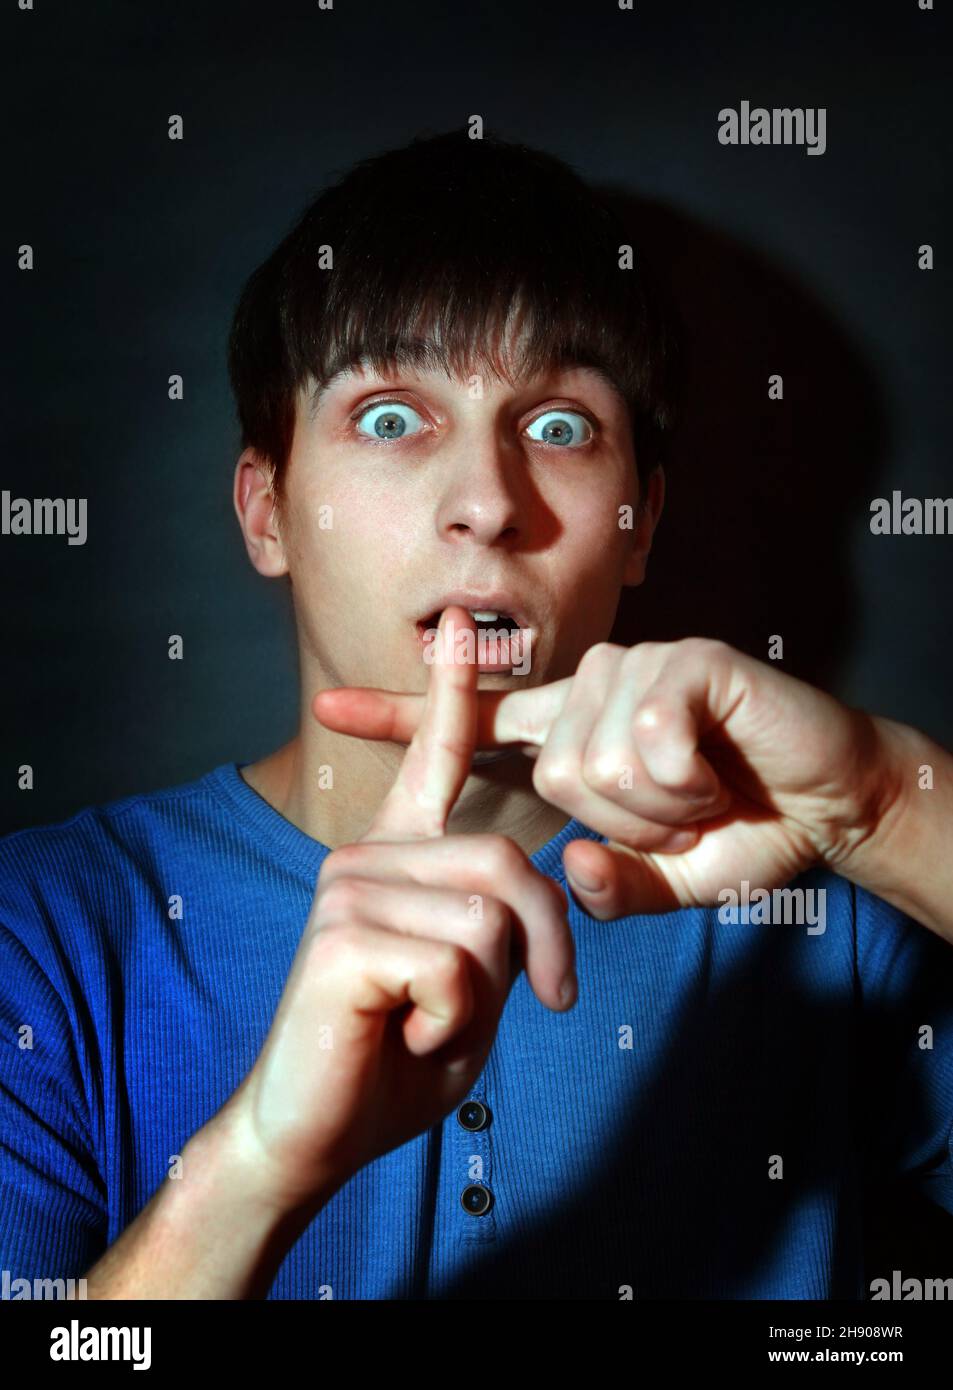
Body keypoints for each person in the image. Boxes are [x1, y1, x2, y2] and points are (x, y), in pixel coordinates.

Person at [1, 131, 951, 1301]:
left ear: (638, 524)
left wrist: (883, 804)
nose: (487, 503)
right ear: (267, 511)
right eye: (392, 417)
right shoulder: (40, 933)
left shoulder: (825, 922)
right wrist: (254, 1167)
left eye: (558, 428)